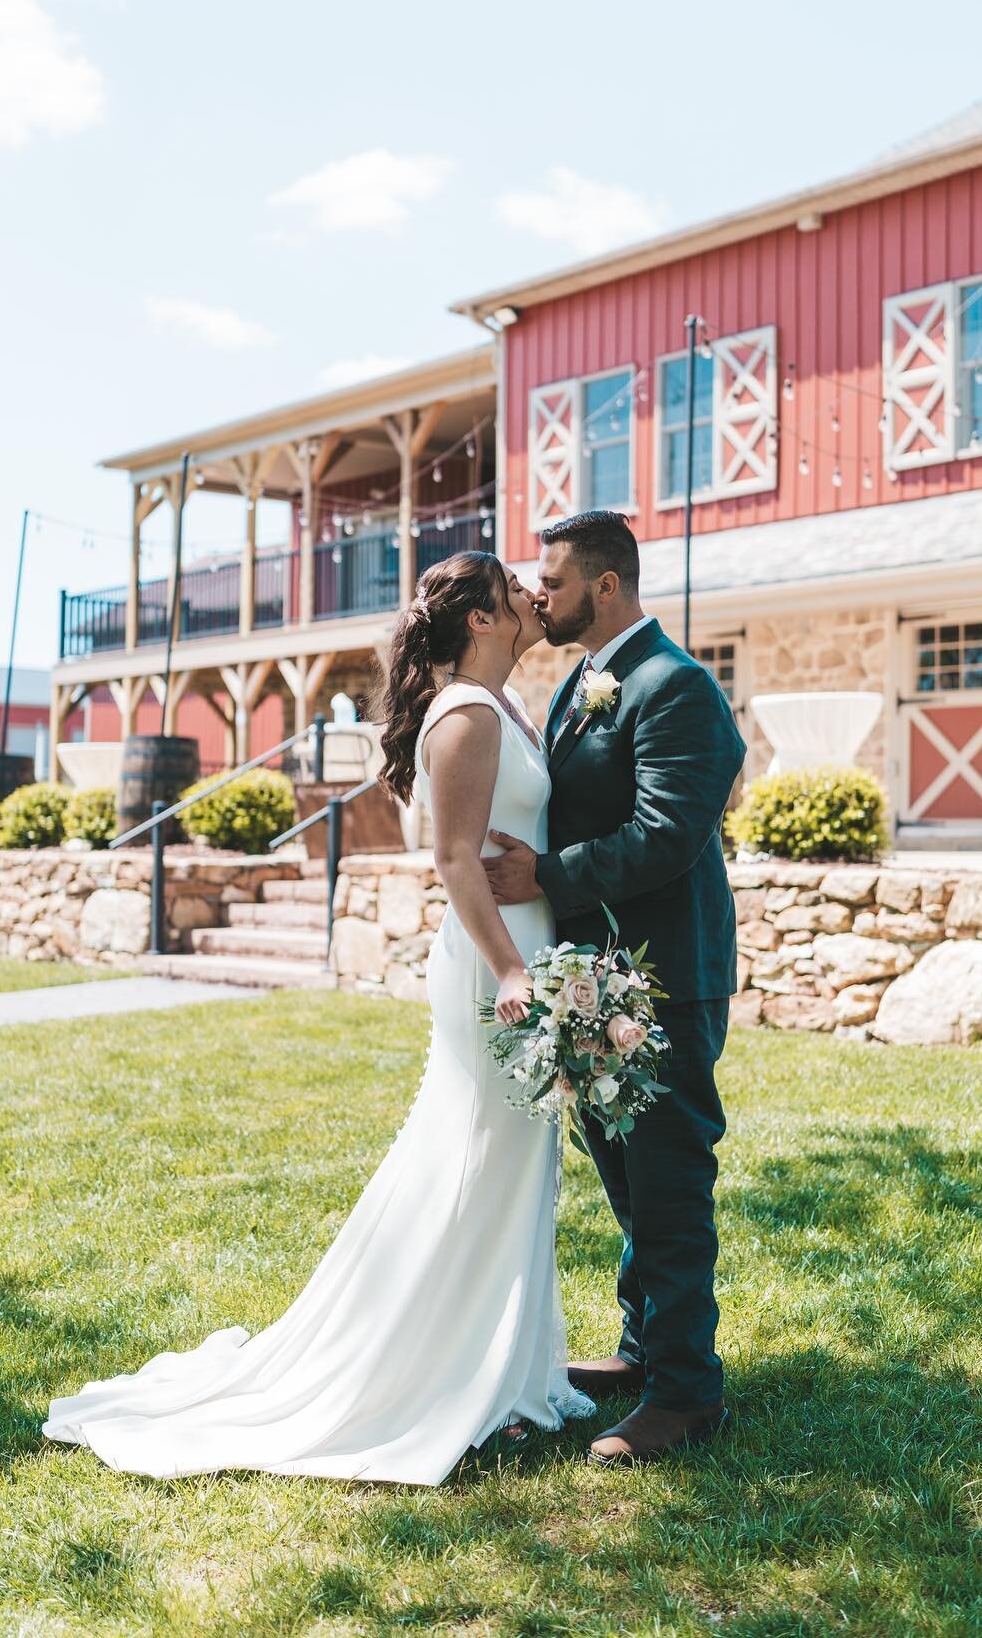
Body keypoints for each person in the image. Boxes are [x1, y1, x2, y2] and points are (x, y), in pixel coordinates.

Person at [43, 551, 594, 1484]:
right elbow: (455, 859)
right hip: (494, 966)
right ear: (482, 623)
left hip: (528, 947)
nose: (536, 599)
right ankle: (437, 1370)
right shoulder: (464, 714)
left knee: (515, 1162)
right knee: (471, 1157)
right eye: (516, 593)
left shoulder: (508, 707)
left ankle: (508, 1366)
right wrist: (509, 967)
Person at [483, 510, 745, 1466]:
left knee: (671, 1181)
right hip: (592, 978)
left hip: (666, 974)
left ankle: (687, 1393)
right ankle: (643, 1353)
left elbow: (668, 836)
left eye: (550, 583)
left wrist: (547, 877)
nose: (536, 597)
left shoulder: (674, 688)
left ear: (605, 586)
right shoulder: (580, 685)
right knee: (629, 1181)